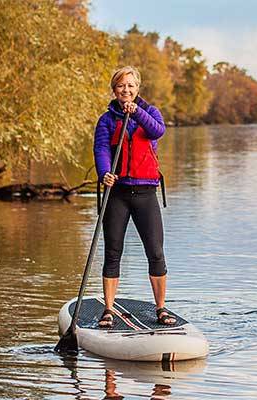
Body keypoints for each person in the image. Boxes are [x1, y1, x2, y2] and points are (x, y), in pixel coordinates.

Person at [93, 66, 175, 327]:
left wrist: (136, 112)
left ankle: (161, 308)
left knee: (156, 253)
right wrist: (105, 172)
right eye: (120, 86)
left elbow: (157, 131)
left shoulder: (149, 113)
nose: (125, 90)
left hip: (145, 193)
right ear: (114, 89)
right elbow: (102, 148)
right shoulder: (107, 120)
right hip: (117, 193)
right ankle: (108, 309)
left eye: (130, 85)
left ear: (137, 88)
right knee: (113, 252)